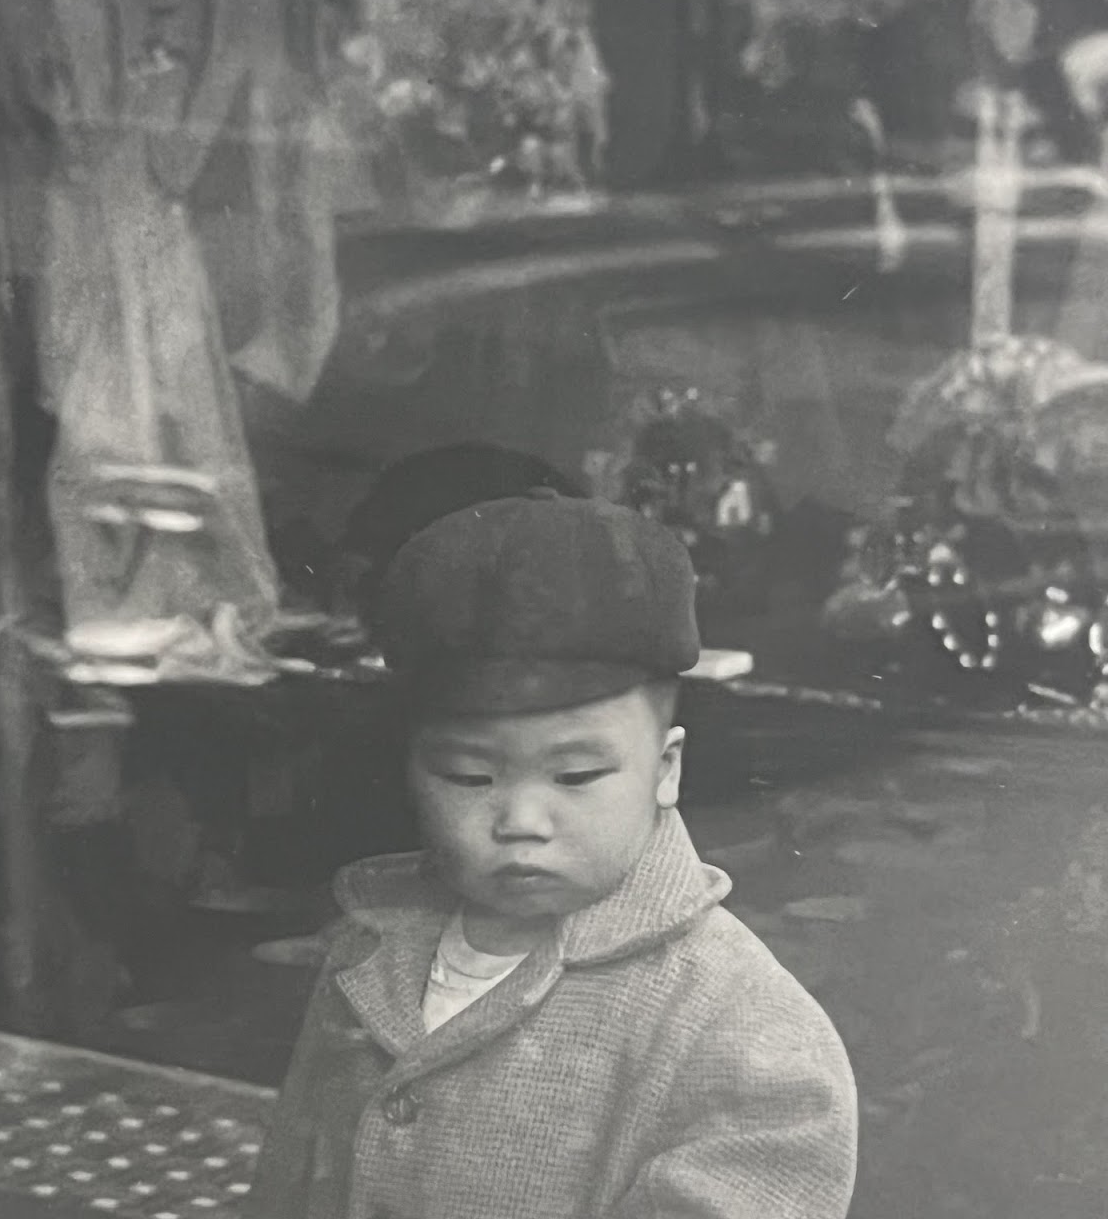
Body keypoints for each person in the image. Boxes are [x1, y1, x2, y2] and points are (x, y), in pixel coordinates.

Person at [251, 489, 858, 1219]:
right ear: (410, 769)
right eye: (469, 777)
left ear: (666, 770)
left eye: (575, 776)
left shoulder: (745, 1033)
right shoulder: (366, 949)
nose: (521, 819)